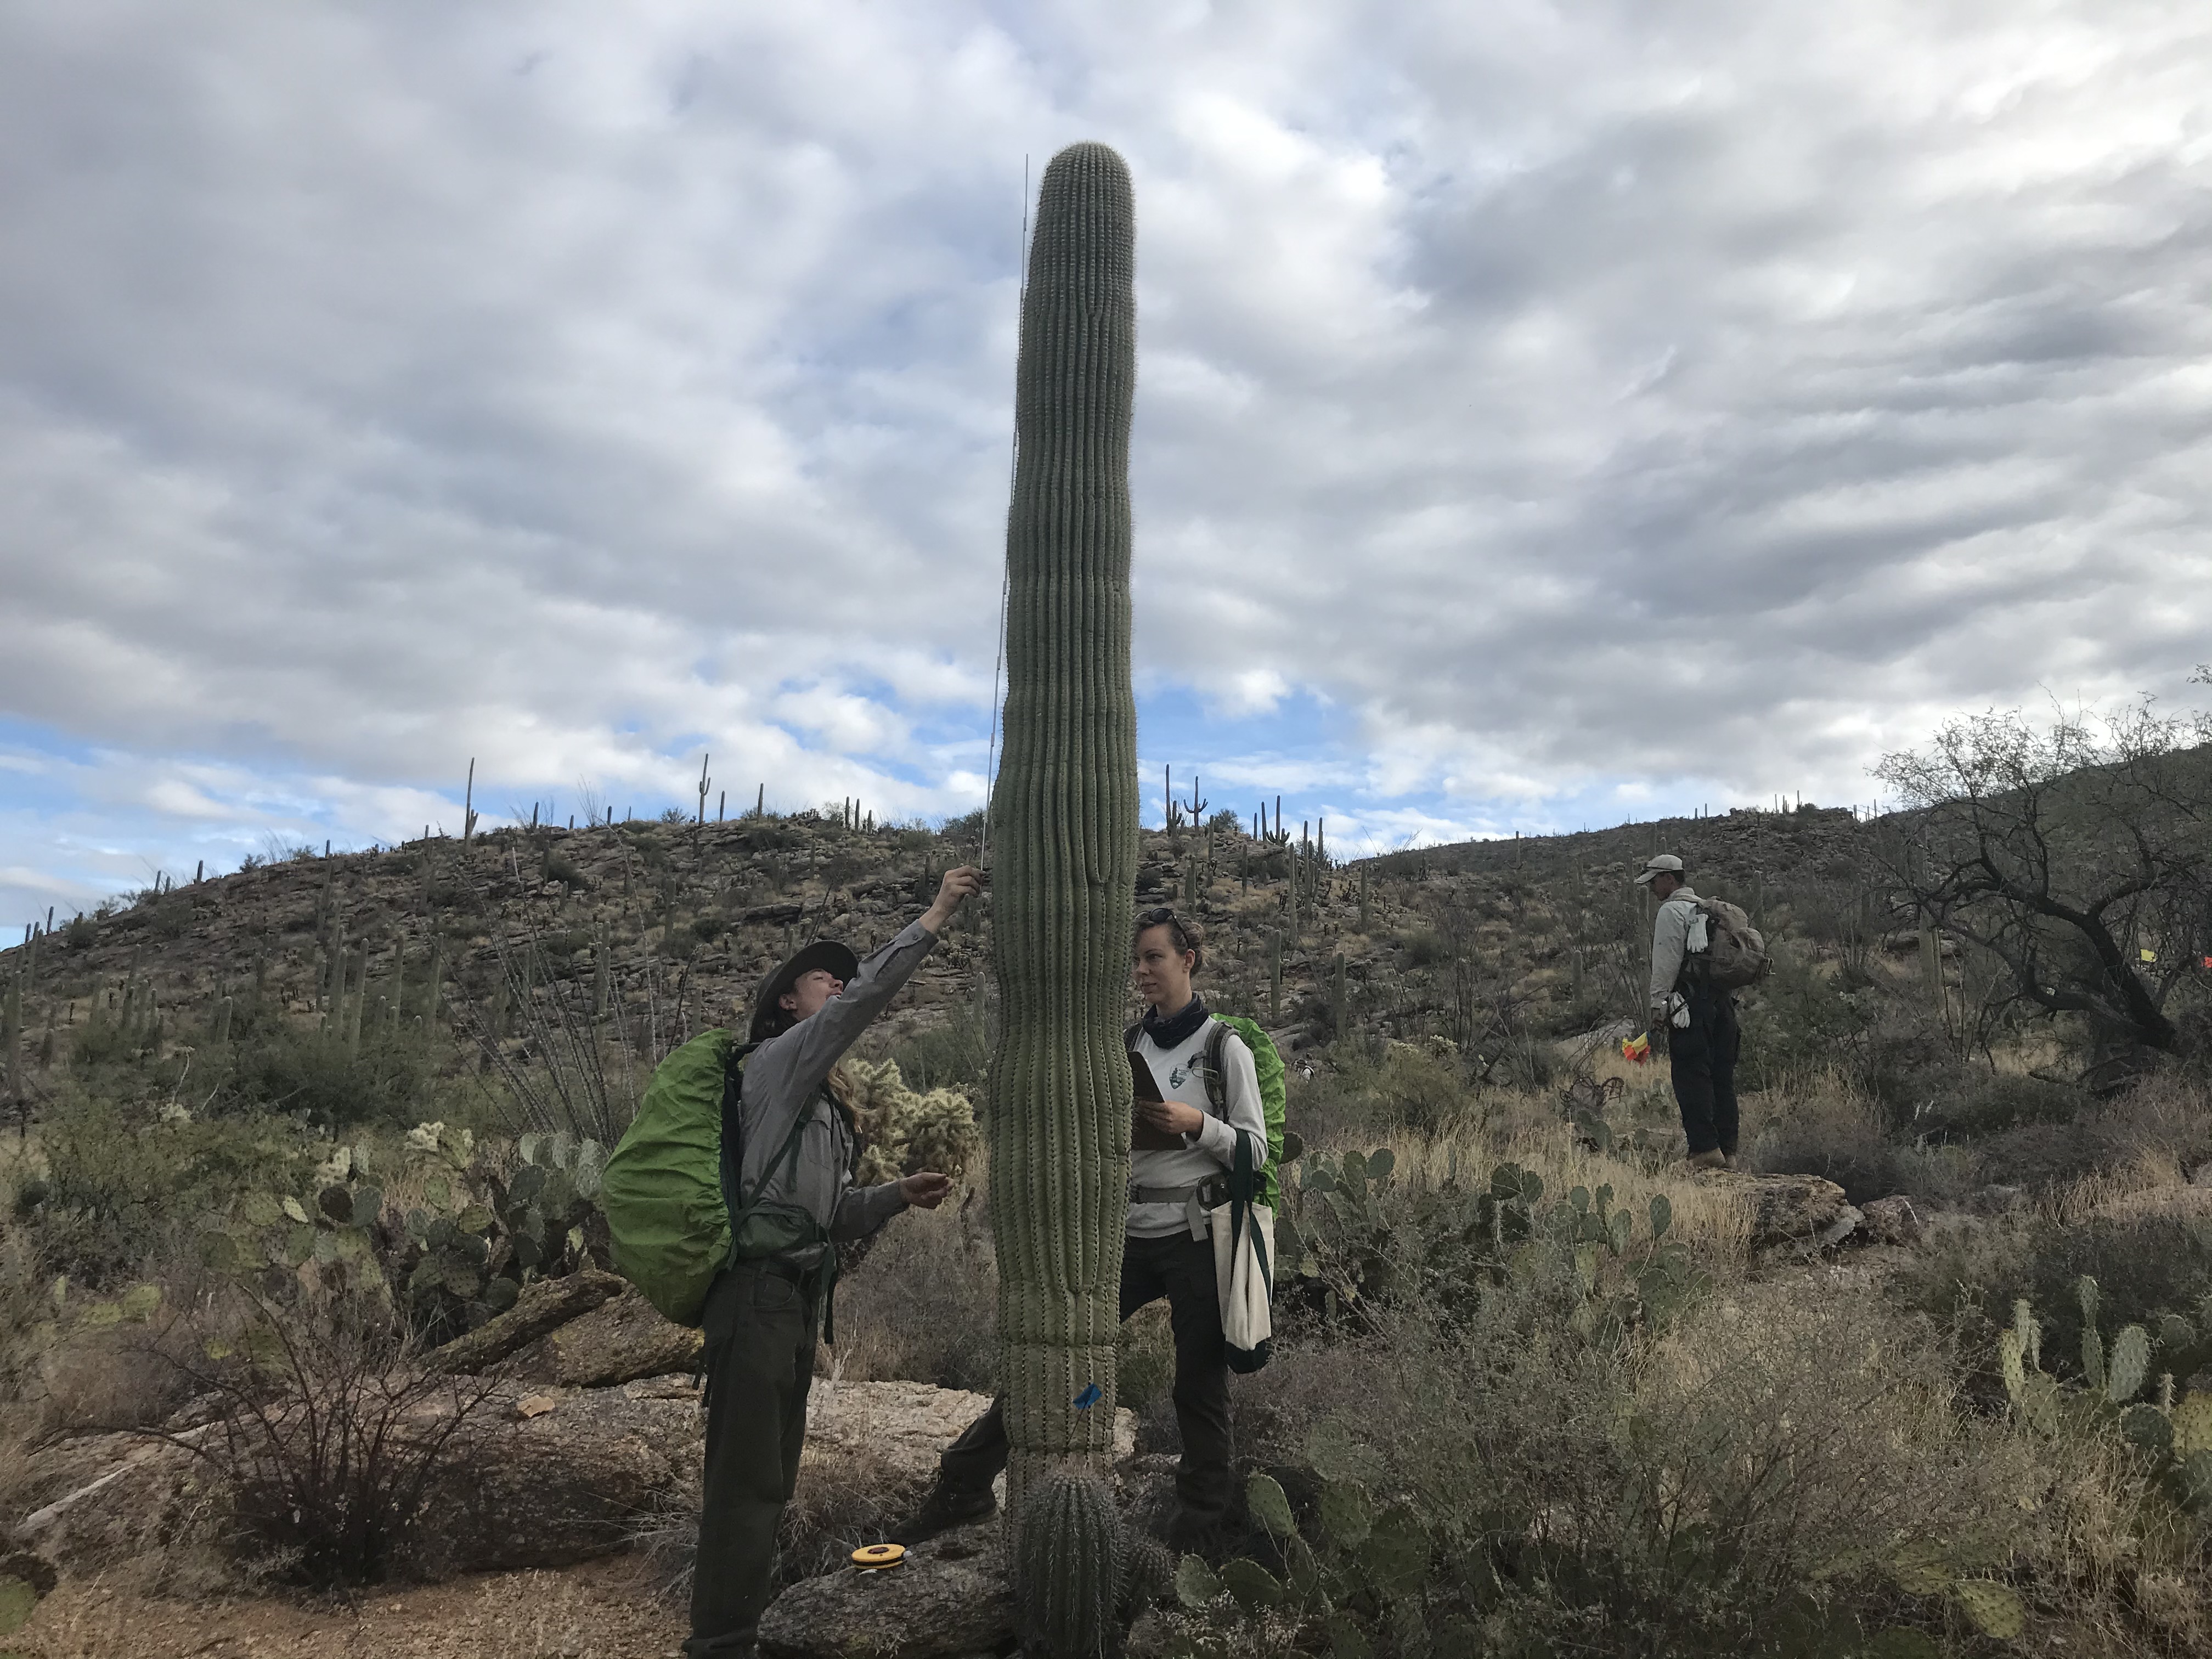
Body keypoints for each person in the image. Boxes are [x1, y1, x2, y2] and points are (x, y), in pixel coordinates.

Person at [890, 906, 1269, 1552]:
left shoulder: (1223, 1049)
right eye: (1138, 959)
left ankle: (1197, 1535)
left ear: (1188, 961)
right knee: (1053, 1356)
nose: (1143, 970)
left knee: (1197, 1386)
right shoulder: (1127, 1046)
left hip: (1198, 1235)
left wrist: (1195, 1125)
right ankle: (966, 1484)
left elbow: (1258, 1151)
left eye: (1154, 957)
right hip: (1125, 1231)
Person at [687, 865, 982, 1659]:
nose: (840, 986)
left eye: (841, 979)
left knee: (771, 1480)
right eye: (825, 978)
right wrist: (937, 913)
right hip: (754, 1298)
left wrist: (894, 1196)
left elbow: (830, 1213)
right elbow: (864, 1006)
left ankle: (739, 1625)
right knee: (745, 1483)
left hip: (792, 1305)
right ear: (789, 999)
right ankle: (720, 1641)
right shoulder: (778, 1063)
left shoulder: (819, 1103)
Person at [1636, 853, 1739, 1170]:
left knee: (1690, 1075)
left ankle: (1704, 1150)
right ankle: (1729, 1152)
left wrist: (1659, 1005)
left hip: (1690, 1007)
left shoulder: (1672, 911)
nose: (1653, 888)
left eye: (1655, 881)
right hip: (1724, 1006)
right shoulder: (1709, 910)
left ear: (1670, 879)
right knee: (1722, 1078)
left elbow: (1666, 962)